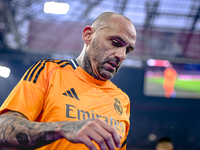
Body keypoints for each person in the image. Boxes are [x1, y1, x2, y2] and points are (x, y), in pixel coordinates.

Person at [0, 12, 136, 150]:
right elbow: (2, 128)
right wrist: (62, 128)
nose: (121, 55)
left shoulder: (122, 100)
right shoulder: (49, 71)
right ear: (88, 35)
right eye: (115, 43)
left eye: (128, 50)